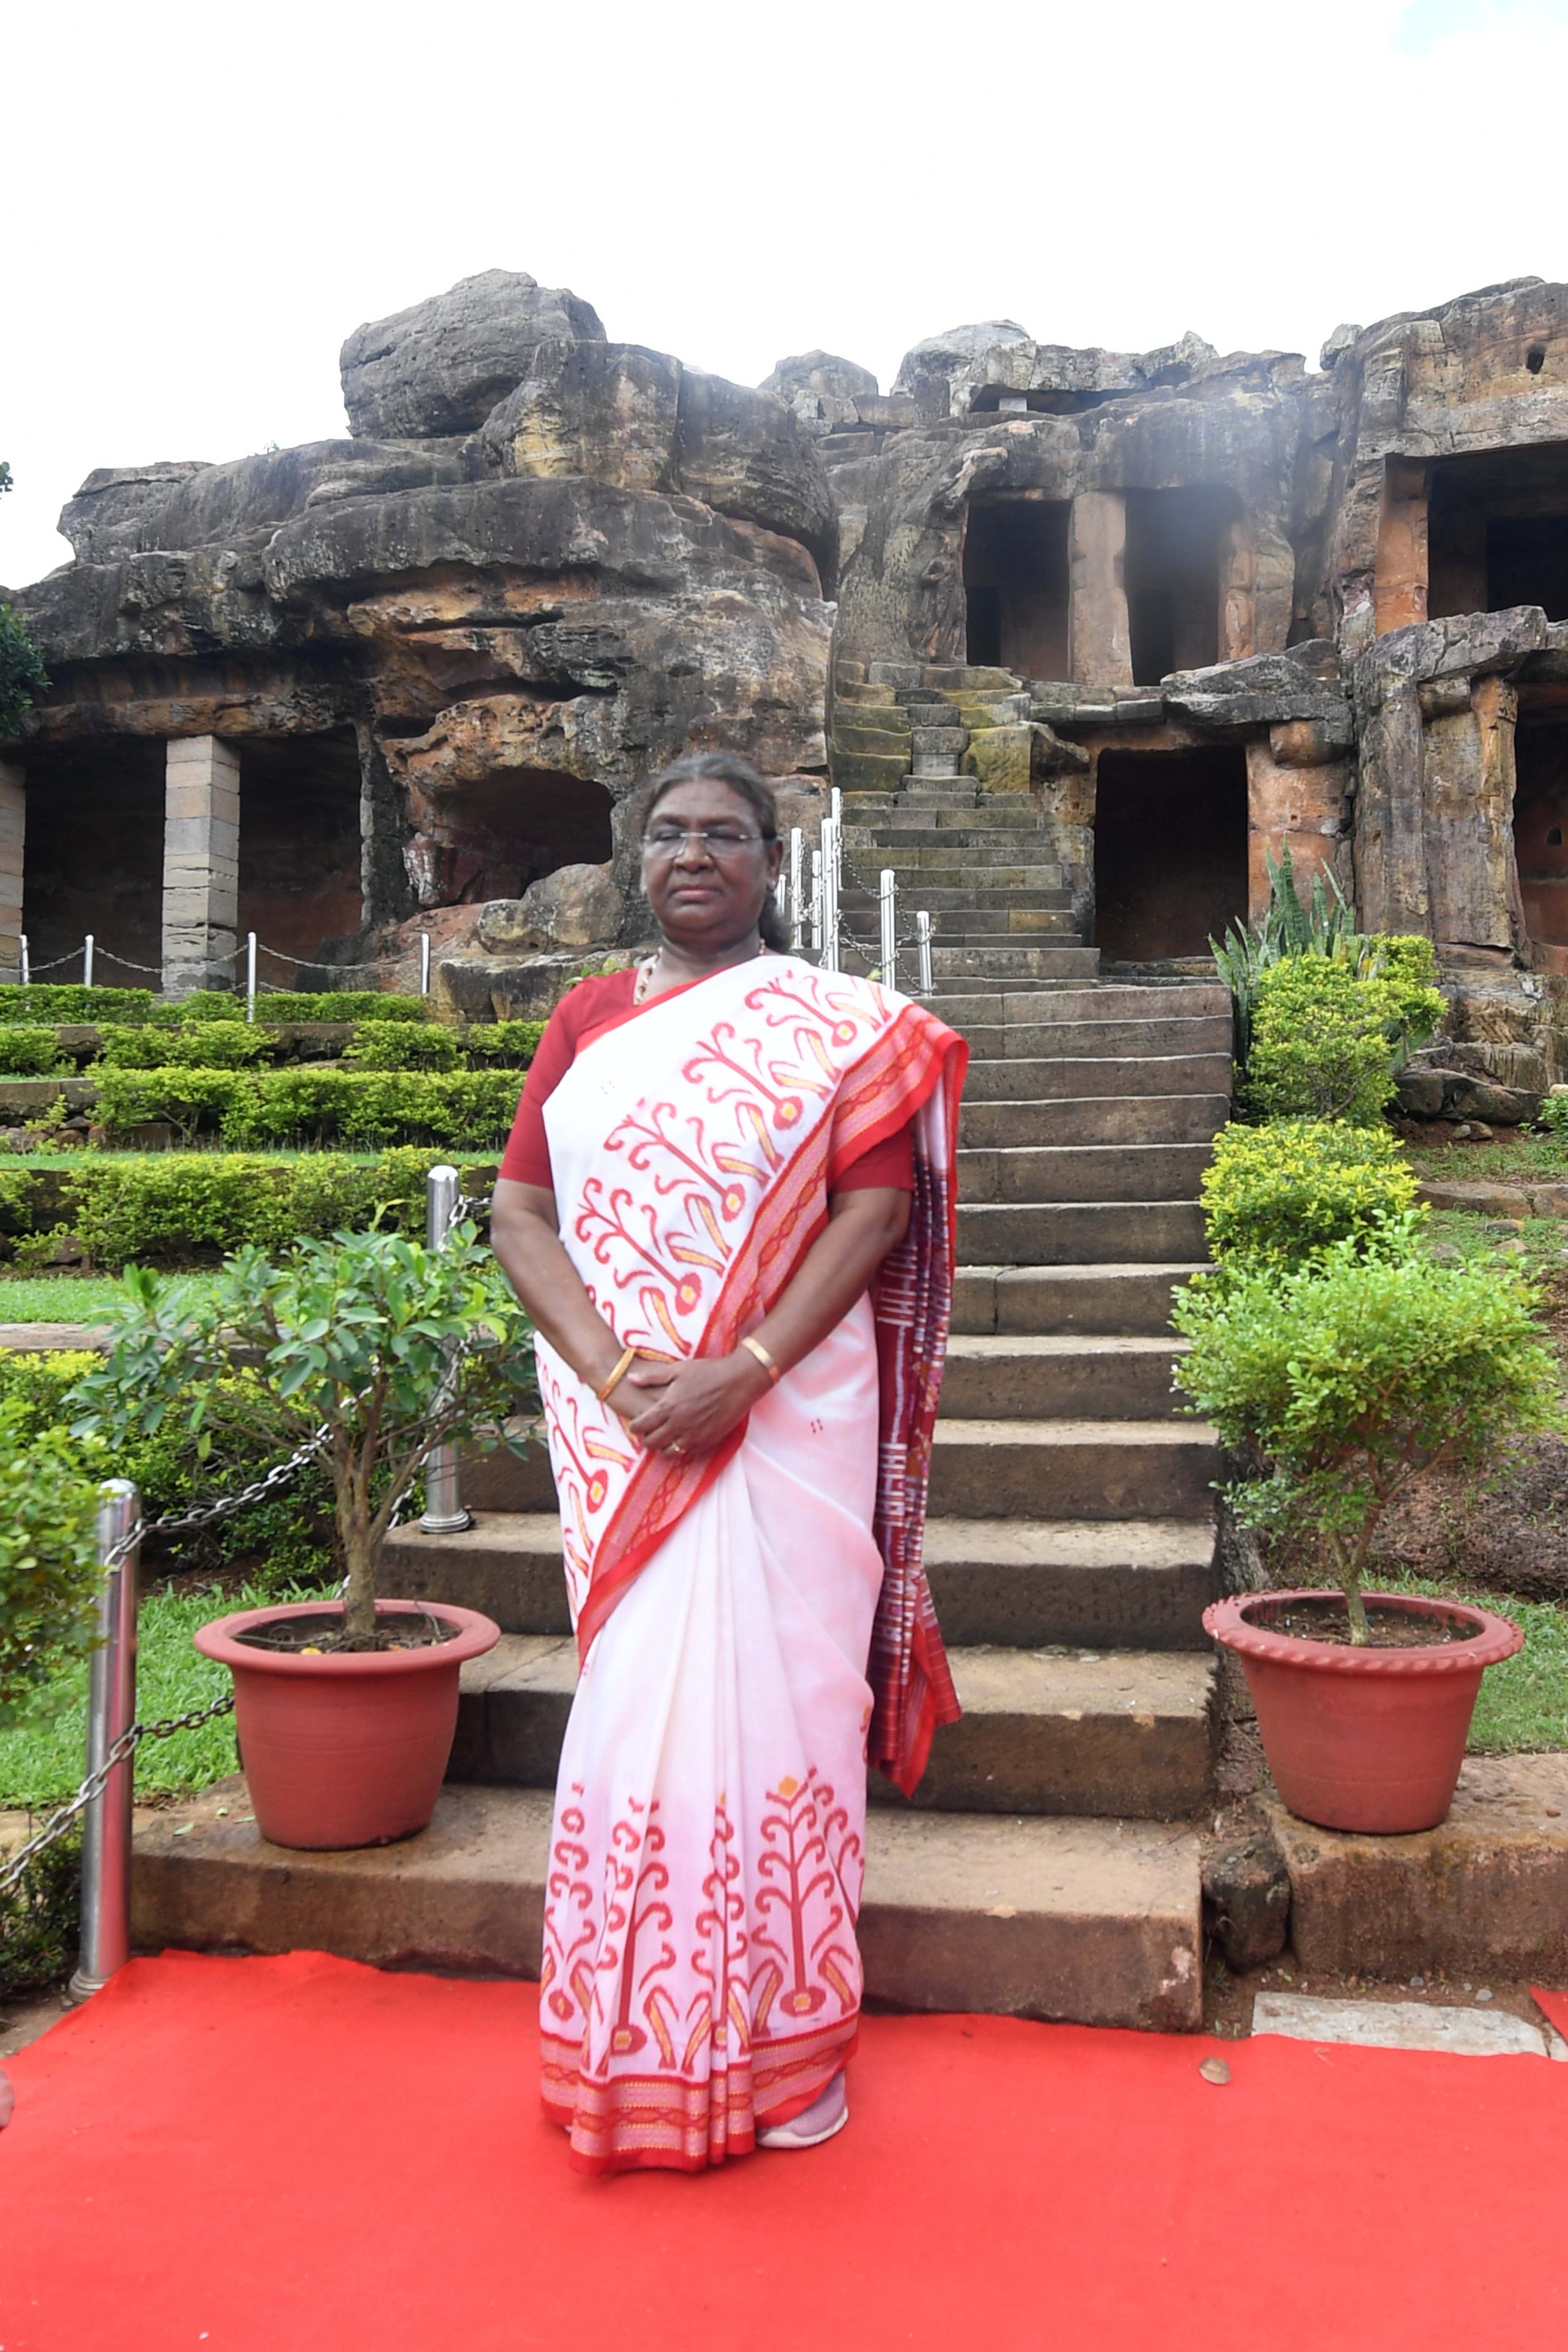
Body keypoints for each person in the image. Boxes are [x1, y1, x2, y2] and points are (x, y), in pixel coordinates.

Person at [489, 751, 967, 2175]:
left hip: (785, 1431)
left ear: (772, 859)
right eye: (668, 834)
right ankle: (627, 2046)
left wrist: (740, 1373)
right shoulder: (585, 1016)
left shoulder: (834, 1028)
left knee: (783, 1723)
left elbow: (871, 1214)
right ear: (638, 858)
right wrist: (623, 1377)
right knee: (641, 1719)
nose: (693, 855)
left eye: (725, 835)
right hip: (625, 1427)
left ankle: (781, 2044)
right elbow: (522, 1214)